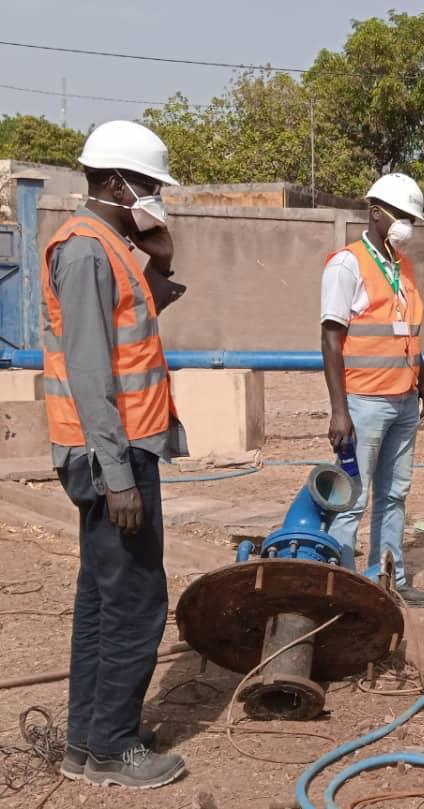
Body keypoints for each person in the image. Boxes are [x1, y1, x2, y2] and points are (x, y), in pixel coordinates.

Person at [46, 120, 187, 789]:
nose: (156, 195)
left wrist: (161, 252)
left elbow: (148, 312)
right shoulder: (84, 252)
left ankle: (87, 739)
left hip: (122, 448)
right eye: (149, 185)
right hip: (113, 454)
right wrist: (118, 474)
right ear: (112, 182)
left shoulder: (111, 246)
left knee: (104, 596)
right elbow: (90, 371)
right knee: (134, 599)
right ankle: (111, 746)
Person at [321, 173, 424, 608]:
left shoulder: (400, 265)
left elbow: (403, 327)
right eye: (403, 216)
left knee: (394, 493)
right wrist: (339, 411)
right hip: (363, 403)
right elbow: (331, 338)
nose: (408, 225)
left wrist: (422, 375)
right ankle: (342, 585)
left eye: (412, 219)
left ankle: (390, 578)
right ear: (375, 212)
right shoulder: (347, 264)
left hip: (403, 399)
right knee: (352, 496)